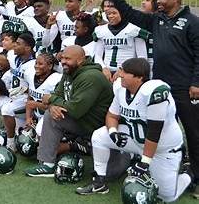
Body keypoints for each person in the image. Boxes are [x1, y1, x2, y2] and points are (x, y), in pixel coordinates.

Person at [105, 0, 199, 194]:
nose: (159, 1)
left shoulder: (193, 22)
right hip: (161, 88)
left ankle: (195, 175)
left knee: (193, 132)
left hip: (185, 87)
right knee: (162, 129)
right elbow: (130, 14)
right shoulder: (157, 19)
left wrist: (196, 82)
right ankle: (170, 167)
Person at [76, 58, 192, 202]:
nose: (120, 74)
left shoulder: (153, 92)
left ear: (139, 77)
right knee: (100, 136)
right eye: (121, 70)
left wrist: (145, 162)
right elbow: (112, 115)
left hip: (161, 148)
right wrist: (113, 132)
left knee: (166, 196)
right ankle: (99, 182)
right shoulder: (120, 88)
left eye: (125, 72)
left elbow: (155, 131)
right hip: (136, 139)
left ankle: (188, 174)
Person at [24, 45, 113, 176]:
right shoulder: (69, 72)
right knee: (51, 115)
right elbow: (58, 94)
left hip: (99, 127)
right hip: (82, 122)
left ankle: (81, 146)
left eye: (68, 59)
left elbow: (75, 109)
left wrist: (51, 99)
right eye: (63, 58)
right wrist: (52, 105)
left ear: (81, 60)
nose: (63, 61)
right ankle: (47, 164)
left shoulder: (91, 77)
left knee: (113, 172)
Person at [93, 5, 148, 82]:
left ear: (122, 13)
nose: (111, 16)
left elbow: (142, 58)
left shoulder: (134, 30)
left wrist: (124, 69)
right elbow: (98, 55)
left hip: (127, 73)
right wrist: (103, 68)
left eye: (114, 13)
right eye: (109, 14)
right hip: (107, 73)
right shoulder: (101, 30)